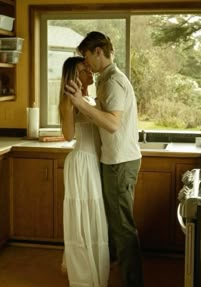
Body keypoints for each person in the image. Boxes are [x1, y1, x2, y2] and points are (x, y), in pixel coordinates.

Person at [64, 32, 144, 287]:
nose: (86, 64)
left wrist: (81, 103)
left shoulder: (112, 82)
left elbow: (112, 124)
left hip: (120, 162)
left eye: (86, 57)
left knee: (122, 228)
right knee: (114, 226)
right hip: (112, 161)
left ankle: (132, 283)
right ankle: (104, 272)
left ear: (98, 51)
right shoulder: (105, 80)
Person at [59, 56, 110, 287]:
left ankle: (94, 268)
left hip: (94, 162)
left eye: (89, 69)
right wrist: (73, 103)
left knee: (94, 217)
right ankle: (82, 276)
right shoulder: (68, 101)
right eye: (84, 70)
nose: (90, 73)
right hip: (81, 162)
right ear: (73, 76)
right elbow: (69, 136)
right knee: (81, 220)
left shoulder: (91, 97)